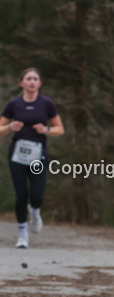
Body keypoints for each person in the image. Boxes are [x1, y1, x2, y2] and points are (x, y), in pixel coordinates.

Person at [1, 68, 64, 248]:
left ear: (40, 83)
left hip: (38, 155)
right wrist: (10, 127)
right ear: (22, 83)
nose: (32, 82)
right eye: (28, 78)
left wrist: (46, 130)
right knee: (21, 195)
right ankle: (23, 234)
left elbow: (60, 129)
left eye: (35, 79)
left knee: (37, 196)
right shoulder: (14, 103)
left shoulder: (46, 103)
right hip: (17, 156)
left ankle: (35, 212)